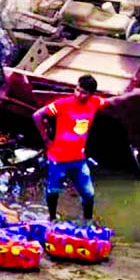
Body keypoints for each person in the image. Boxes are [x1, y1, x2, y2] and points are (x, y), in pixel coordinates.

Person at [33, 74, 105, 221]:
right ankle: (52, 218)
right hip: (58, 158)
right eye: (77, 90)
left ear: (91, 94)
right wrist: (46, 139)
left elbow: (112, 101)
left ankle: (88, 221)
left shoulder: (95, 102)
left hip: (79, 158)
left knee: (88, 193)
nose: (79, 94)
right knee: (53, 190)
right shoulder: (62, 104)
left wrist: (133, 95)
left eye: (83, 92)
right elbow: (37, 115)